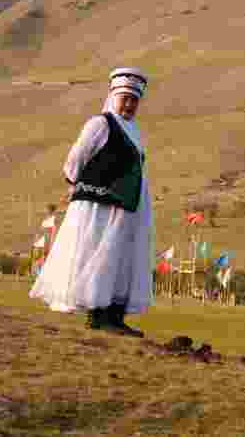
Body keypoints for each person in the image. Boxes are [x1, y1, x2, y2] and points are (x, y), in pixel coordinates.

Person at [29, 67, 155, 336]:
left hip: (129, 206)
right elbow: (75, 160)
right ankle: (98, 316)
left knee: (122, 258)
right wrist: (84, 189)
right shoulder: (99, 124)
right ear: (113, 97)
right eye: (126, 98)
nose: (130, 104)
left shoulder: (135, 130)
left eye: (135, 100)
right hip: (101, 205)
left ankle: (114, 315)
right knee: (100, 254)